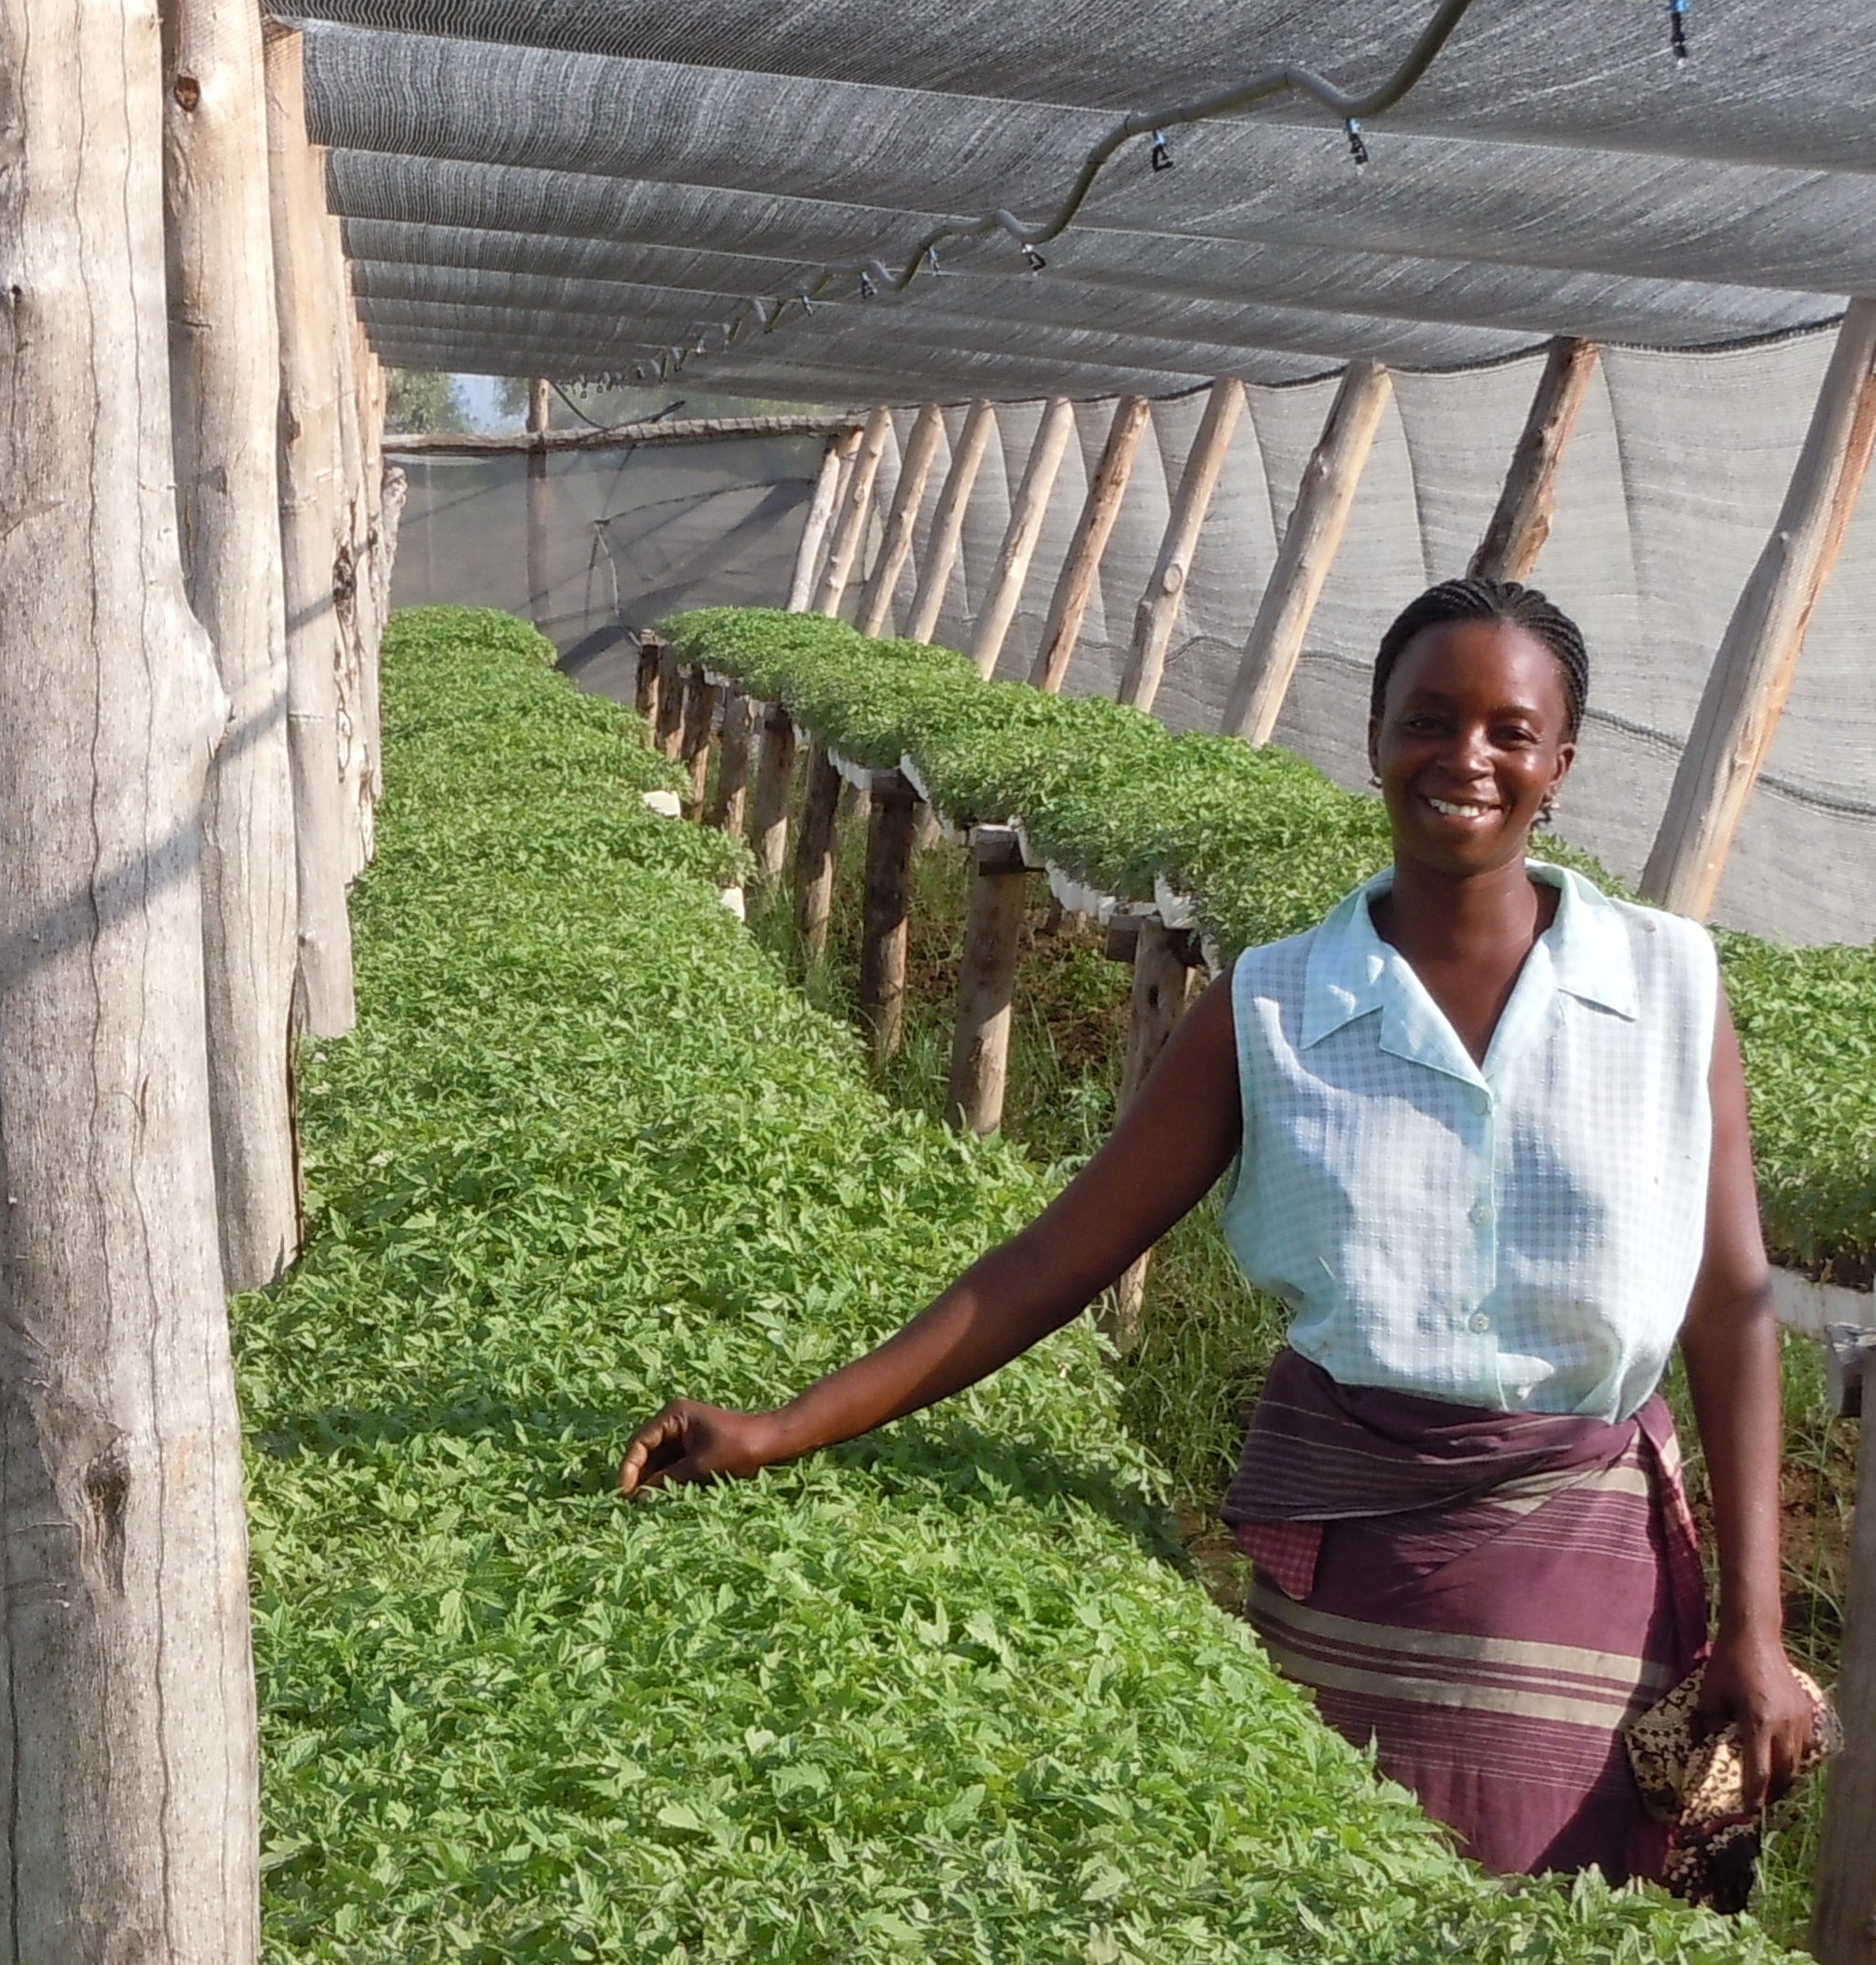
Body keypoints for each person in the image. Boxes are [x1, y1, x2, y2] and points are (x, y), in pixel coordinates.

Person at [618, 579, 1817, 1889]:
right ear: (1373, 737)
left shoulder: (1666, 984)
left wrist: (1752, 1625)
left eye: (1507, 732)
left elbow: (1729, 1304)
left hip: (1580, 1563)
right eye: (1427, 719)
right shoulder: (1275, 1003)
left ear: (1559, 764)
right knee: (1333, 1913)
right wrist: (784, 1427)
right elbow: (1051, 1261)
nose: (1463, 758)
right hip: (1344, 1566)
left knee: (1572, 1933)